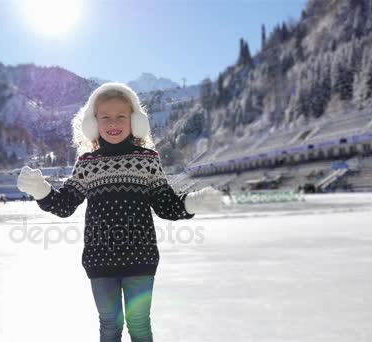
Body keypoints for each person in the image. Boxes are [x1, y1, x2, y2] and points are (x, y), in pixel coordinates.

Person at [17, 82, 222, 341]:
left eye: (121, 116)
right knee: (110, 325)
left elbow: (165, 204)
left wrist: (192, 202)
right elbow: (65, 205)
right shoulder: (87, 164)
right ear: (94, 123)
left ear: (135, 121)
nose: (113, 123)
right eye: (105, 117)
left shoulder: (147, 160)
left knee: (138, 324)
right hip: (100, 259)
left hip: (141, 257)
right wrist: (41, 190)